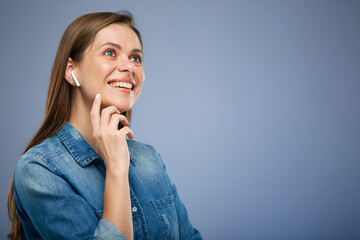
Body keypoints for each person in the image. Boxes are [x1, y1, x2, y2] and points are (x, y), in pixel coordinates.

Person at [7, 11, 202, 240]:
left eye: (135, 58)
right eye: (110, 52)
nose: (129, 67)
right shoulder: (38, 170)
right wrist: (117, 168)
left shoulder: (150, 159)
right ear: (71, 70)